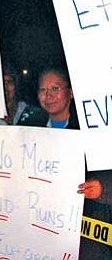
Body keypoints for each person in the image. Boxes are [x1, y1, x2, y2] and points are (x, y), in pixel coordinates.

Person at [37, 66, 112, 260]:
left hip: (86, 234)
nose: (48, 95)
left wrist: (103, 188)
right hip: (42, 230)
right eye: (43, 90)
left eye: (55, 88)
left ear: (70, 93)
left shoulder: (93, 128)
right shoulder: (31, 130)